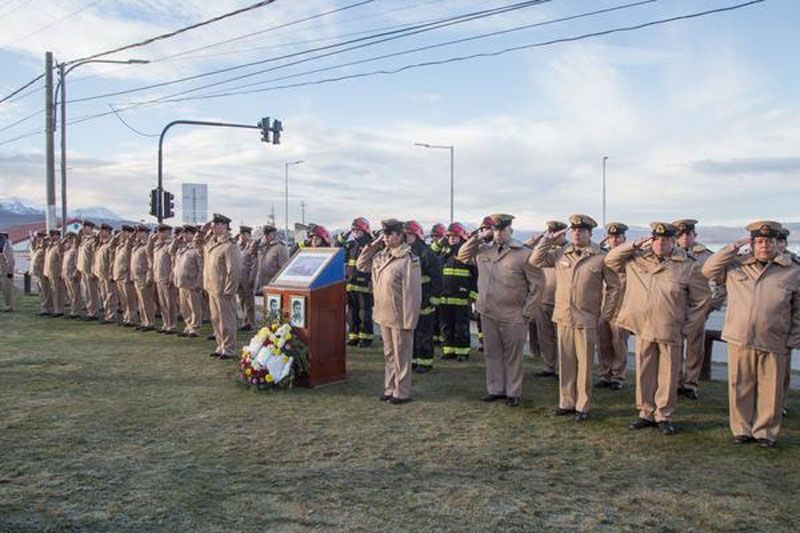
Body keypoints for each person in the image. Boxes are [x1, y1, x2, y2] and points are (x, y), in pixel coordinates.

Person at [703, 221, 800, 447]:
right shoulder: (736, 265)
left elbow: (798, 310)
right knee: (740, 385)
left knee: (771, 389)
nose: (764, 246)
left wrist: (794, 338)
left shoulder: (793, 270)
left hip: (774, 338)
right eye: (759, 241)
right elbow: (708, 270)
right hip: (740, 337)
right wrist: (732, 248)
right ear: (752, 244)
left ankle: (765, 432)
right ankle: (741, 429)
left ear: (778, 244)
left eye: (769, 241)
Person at [606, 222, 709, 435]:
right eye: (656, 239)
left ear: (673, 241)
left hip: (670, 327)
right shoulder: (637, 259)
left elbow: (702, 300)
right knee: (645, 371)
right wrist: (634, 244)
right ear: (651, 240)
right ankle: (645, 412)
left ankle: (663, 414)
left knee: (668, 375)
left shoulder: (688, 265)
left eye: (666, 240)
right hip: (643, 326)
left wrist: (687, 326)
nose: (660, 243)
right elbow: (611, 259)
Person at [530, 214, 620, 420]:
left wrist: (605, 314)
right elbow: (535, 260)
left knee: (585, 365)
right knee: (566, 362)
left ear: (590, 233)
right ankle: (566, 402)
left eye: (581, 231)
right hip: (563, 317)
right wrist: (548, 240)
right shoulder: (561, 253)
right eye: (574, 230)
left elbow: (615, 287)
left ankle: (583, 405)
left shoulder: (600, 256)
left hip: (586, 318)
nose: (577, 234)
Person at [458, 213, 543, 407]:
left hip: (514, 313)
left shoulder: (523, 253)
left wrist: (527, 312)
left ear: (510, 230)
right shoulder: (483, 250)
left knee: (512, 355)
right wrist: (478, 236)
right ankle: (495, 389)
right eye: (494, 229)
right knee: (492, 353)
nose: (498, 233)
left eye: (502, 229)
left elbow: (537, 285)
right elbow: (462, 255)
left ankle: (513, 392)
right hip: (488, 312)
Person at [357, 219, 421, 404]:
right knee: (389, 354)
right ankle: (390, 388)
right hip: (384, 313)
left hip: (400, 315)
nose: (386, 238)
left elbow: (413, 293)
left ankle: (402, 391)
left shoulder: (409, 259)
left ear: (400, 236)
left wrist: (410, 320)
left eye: (390, 234)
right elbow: (361, 264)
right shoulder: (381, 256)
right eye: (384, 234)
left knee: (402, 355)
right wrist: (375, 244)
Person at [672, 219, 716, 400]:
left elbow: (719, 285)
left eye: (688, 234)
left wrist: (709, 307)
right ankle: (674, 382)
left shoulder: (706, 256)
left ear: (694, 236)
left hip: (697, 309)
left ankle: (690, 384)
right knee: (674, 347)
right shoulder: (670, 254)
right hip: (675, 309)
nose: (684, 237)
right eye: (680, 234)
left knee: (694, 348)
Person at [530, 220, 567, 379]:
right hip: (543, 300)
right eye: (549, 233)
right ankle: (548, 366)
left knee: (562, 340)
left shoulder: (567, 250)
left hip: (561, 302)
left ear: (562, 234)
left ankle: (562, 368)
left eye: (555, 233)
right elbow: (534, 258)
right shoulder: (544, 250)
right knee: (545, 337)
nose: (552, 236)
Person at [203, 213, 242, 359]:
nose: (214, 227)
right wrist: (203, 231)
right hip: (212, 287)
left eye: (218, 224)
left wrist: (230, 289)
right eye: (213, 224)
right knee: (216, 318)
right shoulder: (212, 243)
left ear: (225, 226)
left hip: (223, 289)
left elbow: (235, 270)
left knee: (227, 320)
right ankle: (220, 345)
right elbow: (199, 242)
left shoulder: (229, 246)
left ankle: (229, 348)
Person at [405, 219, 442, 373]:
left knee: (424, 333)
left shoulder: (426, 253)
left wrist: (434, 297)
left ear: (416, 235)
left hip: (424, 299)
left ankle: (425, 362)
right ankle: (413, 360)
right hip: (410, 299)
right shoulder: (405, 251)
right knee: (411, 332)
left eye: (409, 235)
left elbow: (437, 277)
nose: (406, 237)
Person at [596, 222, 630, 390]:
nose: (614, 240)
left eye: (618, 237)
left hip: (622, 306)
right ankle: (605, 373)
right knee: (603, 341)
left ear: (624, 238)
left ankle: (618, 375)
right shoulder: (603, 255)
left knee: (619, 342)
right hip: (604, 305)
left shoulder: (630, 258)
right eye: (611, 237)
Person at [437, 222, 476, 362]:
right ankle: (449, 350)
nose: (452, 239)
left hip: (461, 296)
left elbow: (475, 275)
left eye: (455, 236)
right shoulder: (444, 252)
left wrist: (472, 295)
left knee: (461, 326)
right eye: (450, 236)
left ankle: (462, 352)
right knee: (446, 325)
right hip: (445, 297)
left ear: (461, 238)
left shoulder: (466, 253)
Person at [336, 217, 375, 347]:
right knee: (352, 312)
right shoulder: (351, 245)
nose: (356, 232)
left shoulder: (371, 244)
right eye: (354, 230)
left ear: (365, 231)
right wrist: (346, 233)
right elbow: (337, 247)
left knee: (365, 312)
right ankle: (354, 336)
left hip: (365, 284)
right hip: (351, 284)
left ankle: (366, 338)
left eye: (358, 230)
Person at [175, 225, 204, 338]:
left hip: (192, 283)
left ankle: (195, 328)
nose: (184, 235)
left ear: (193, 235)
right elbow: (171, 251)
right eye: (184, 233)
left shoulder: (196, 249)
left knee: (194, 307)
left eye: (187, 233)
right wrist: (177, 240)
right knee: (184, 307)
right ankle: (188, 325)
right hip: (182, 282)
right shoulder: (183, 248)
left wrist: (198, 282)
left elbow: (201, 267)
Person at [153, 224, 179, 334]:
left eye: (161, 232)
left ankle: (172, 324)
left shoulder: (171, 244)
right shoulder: (158, 245)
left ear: (167, 232)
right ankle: (166, 323)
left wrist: (171, 276)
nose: (158, 234)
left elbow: (174, 262)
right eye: (158, 232)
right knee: (162, 303)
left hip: (167, 277)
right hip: (158, 277)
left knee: (170, 303)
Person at [131, 225, 156, 331]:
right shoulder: (138, 246)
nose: (137, 234)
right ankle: (144, 321)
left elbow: (151, 262)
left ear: (145, 233)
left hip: (143, 276)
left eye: (140, 232)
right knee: (141, 302)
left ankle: (149, 322)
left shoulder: (149, 245)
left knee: (147, 301)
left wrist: (150, 275)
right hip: (137, 276)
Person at [112, 225, 138, 327]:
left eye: (125, 232)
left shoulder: (130, 244)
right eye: (121, 232)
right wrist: (118, 235)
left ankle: (131, 317)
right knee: (123, 299)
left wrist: (132, 235)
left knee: (129, 298)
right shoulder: (120, 245)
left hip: (126, 275)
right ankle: (126, 317)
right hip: (119, 275)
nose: (122, 234)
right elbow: (111, 244)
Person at [93, 223, 118, 324]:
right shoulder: (101, 244)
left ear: (108, 232)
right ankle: (107, 314)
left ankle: (111, 315)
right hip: (101, 274)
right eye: (100, 230)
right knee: (104, 295)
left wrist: (111, 273)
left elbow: (112, 260)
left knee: (110, 295)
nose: (100, 232)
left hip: (108, 274)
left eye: (103, 231)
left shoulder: (110, 244)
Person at [236, 225, 259, 331]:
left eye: (244, 234)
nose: (242, 236)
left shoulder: (252, 246)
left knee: (249, 301)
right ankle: (245, 321)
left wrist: (252, 278)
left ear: (248, 235)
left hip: (247, 277)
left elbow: (255, 264)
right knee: (242, 300)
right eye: (241, 234)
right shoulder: (239, 246)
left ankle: (251, 323)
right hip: (239, 278)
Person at [77, 220, 100, 321]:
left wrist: (93, 270)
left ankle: (93, 312)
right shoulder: (84, 240)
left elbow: (95, 257)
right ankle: (89, 310)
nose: (82, 229)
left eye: (85, 227)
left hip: (89, 269)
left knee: (91, 292)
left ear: (90, 228)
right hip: (83, 269)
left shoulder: (93, 240)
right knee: (86, 292)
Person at [428, 222, 447, 346]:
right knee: (433, 317)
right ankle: (434, 339)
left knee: (443, 318)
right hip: (433, 288)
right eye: (434, 236)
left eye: (438, 236)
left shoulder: (447, 250)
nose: (435, 239)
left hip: (445, 288)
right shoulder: (430, 249)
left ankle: (441, 339)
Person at [256, 224, 289, 290]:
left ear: (271, 235)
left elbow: (284, 268)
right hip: (262, 284)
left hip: (274, 284)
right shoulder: (262, 247)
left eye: (265, 235)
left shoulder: (280, 247)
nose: (263, 237)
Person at [61, 232, 83, 319]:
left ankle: (76, 312)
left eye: (72, 239)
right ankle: (72, 310)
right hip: (66, 274)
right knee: (70, 294)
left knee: (75, 294)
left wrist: (75, 273)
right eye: (69, 239)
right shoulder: (68, 250)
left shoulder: (76, 250)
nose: (70, 240)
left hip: (72, 274)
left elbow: (77, 263)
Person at [44, 229, 65, 318]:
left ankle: (58, 310)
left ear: (58, 236)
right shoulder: (50, 246)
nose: (52, 237)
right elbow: (47, 260)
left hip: (56, 272)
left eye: (54, 235)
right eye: (51, 235)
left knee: (57, 291)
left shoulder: (59, 246)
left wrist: (61, 271)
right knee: (52, 291)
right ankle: (54, 308)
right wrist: (45, 271)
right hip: (50, 272)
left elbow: (61, 259)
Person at [30, 231, 52, 316]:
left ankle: (46, 308)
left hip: (43, 272)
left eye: (38, 237)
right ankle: (44, 307)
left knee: (45, 291)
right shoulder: (38, 247)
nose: (36, 239)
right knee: (41, 292)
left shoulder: (45, 247)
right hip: (37, 273)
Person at [0, 231, 14, 312]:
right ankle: (7, 305)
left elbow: (10, 260)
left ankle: (9, 306)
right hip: (2, 272)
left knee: (7, 290)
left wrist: (10, 272)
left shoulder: (7, 247)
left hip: (5, 272)